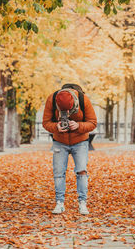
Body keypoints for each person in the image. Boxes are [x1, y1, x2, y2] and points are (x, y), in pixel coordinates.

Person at [42, 84, 97, 215]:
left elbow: (93, 122)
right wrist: (56, 127)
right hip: (59, 142)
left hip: (80, 141)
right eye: (63, 111)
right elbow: (46, 123)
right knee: (58, 173)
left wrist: (78, 125)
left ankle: (82, 203)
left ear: (74, 104)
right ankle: (59, 203)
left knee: (82, 171)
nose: (66, 114)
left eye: (69, 111)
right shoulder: (52, 99)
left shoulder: (83, 99)